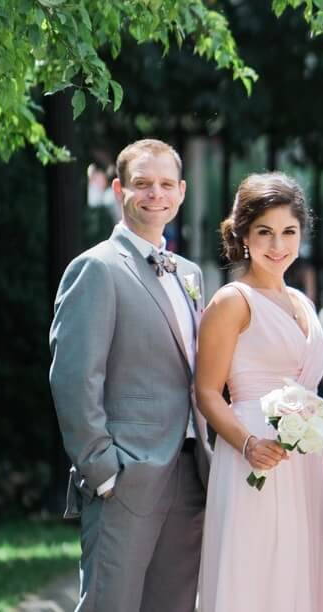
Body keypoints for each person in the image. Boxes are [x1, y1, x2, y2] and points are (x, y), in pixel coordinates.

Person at [48, 138, 211, 612]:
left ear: (180, 192)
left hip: (189, 473)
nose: (154, 194)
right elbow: (74, 378)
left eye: (165, 184)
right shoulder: (95, 268)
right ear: (120, 189)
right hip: (126, 477)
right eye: (142, 183)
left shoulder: (190, 274)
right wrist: (102, 470)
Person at [194, 173, 323, 612]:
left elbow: (312, 400)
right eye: (265, 232)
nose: (278, 245)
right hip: (251, 454)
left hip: (305, 463)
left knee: (297, 576)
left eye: (289, 232)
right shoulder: (232, 301)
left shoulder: (303, 303)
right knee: (253, 573)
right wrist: (249, 444)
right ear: (243, 235)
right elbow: (207, 392)